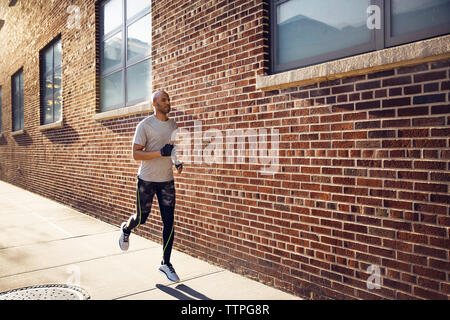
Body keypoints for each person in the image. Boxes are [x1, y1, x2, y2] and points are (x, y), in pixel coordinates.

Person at [119, 90, 183, 282]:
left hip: (166, 180)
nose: (167, 102)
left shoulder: (172, 124)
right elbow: (136, 154)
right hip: (146, 180)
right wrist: (158, 153)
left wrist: (176, 161)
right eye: (163, 100)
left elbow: (171, 148)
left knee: (169, 221)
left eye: (168, 99)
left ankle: (166, 263)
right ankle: (126, 229)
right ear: (154, 104)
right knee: (141, 217)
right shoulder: (144, 125)